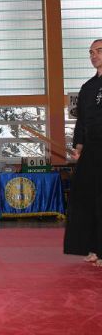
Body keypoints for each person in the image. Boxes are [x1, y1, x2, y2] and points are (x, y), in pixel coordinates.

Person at [64, 38, 102, 268]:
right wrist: (78, 147)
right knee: (87, 198)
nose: (93, 56)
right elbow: (82, 122)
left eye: (98, 51)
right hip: (91, 149)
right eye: (91, 52)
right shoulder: (88, 87)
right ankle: (94, 247)